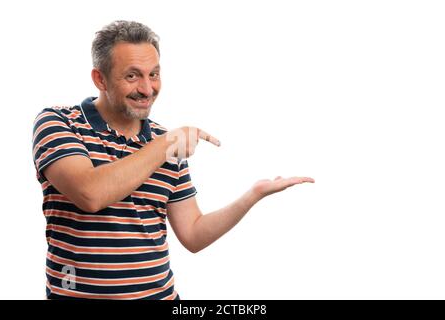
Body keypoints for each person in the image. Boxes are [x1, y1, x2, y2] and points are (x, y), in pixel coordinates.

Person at [32, 20, 315, 300]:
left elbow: (192, 234)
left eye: (153, 74)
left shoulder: (166, 143)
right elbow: (89, 193)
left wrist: (252, 196)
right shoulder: (59, 122)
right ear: (100, 79)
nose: (147, 89)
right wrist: (164, 145)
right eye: (132, 76)